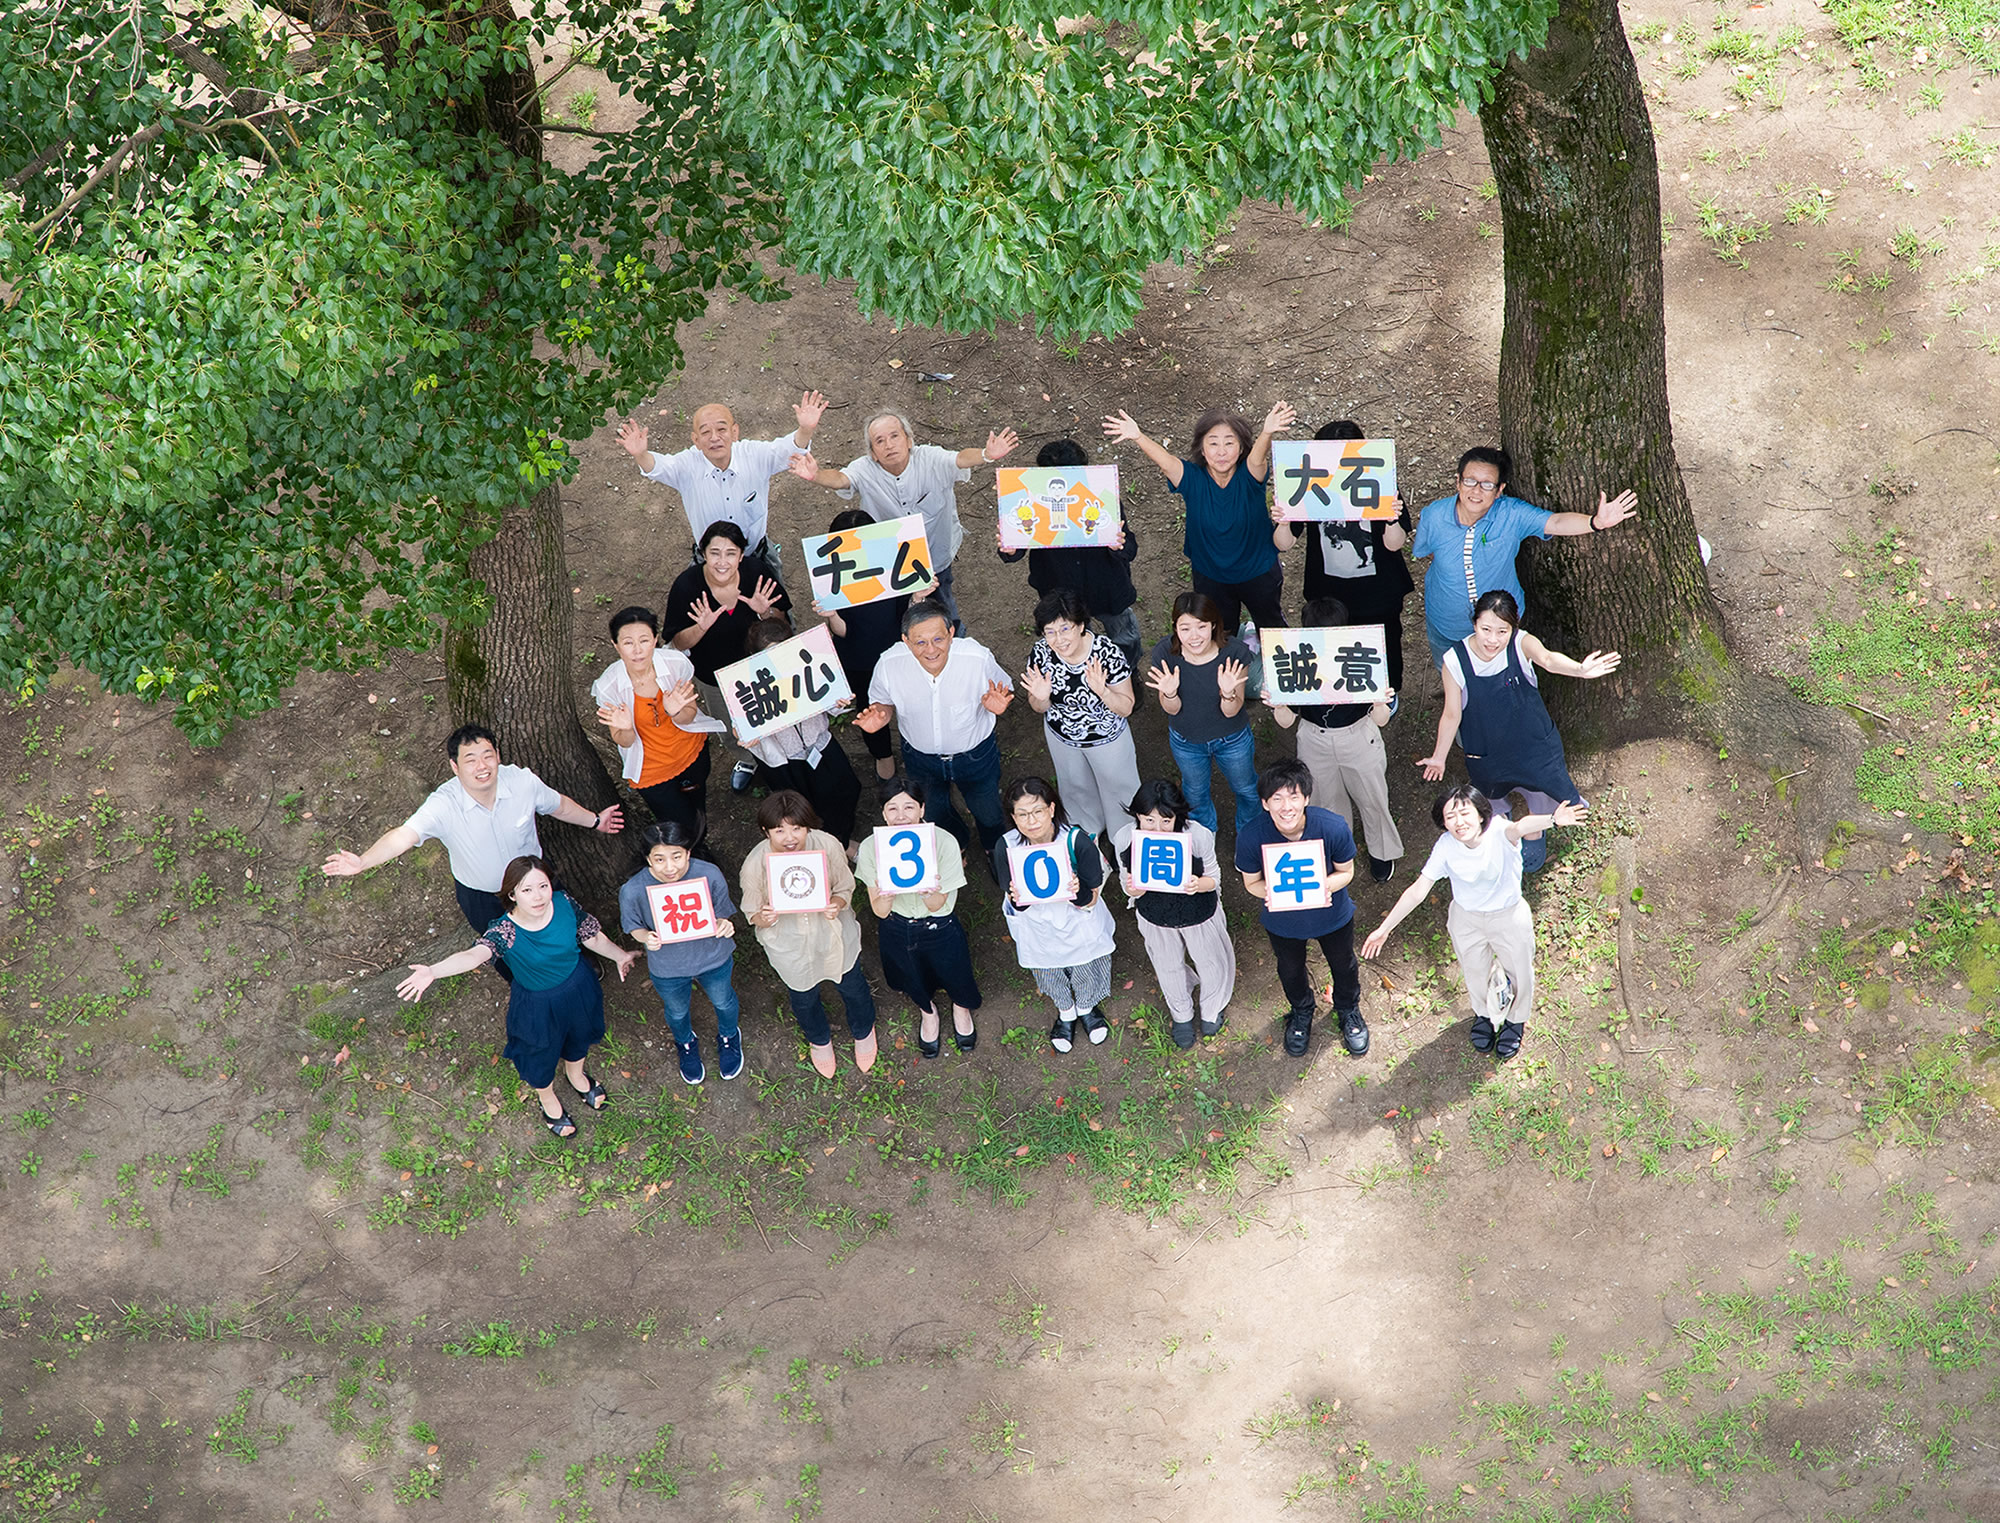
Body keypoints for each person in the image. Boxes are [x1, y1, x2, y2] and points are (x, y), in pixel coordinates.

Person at [321, 726, 623, 972]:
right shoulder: (443, 804)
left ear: (498, 757)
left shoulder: (522, 782)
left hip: (537, 880)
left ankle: (579, 962)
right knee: (505, 952)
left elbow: (558, 805)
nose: (482, 766)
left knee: (563, 923)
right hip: (484, 896)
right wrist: (363, 861)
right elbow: (403, 836)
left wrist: (595, 821)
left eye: (487, 756)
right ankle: (528, 984)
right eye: (470, 759)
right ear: (454, 767)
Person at [395, 855, 636, 1136]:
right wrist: (433, 971)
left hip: (578, 987)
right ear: (512, 894)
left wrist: (620, 956)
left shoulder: (564, 903)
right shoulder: (505, 930)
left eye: (543, 886)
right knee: (539, 1053)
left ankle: (576, 1075)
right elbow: (474, 955)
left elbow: (590, 936)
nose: (538, 897)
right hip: (538, 1004)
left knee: (580, 1034)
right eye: (527, 890)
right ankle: (547, 1098)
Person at [1362, 786, 1588, 1060]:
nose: (1459, 822)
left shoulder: (1500, 831)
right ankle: (1484, 1014)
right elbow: (1418, 890)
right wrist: (1385, 929)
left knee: (1519, 971)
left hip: (1508, 915)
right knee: (1474, 971)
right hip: (1466, 918)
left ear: (1481, 814)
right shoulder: (1446, 845)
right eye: (1450, 816)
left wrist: (1552, 819)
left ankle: (1515, 1021)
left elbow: (1521, 826)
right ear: (1443, 823)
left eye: (1464, 813)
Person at [1422, 589, 1620, 874]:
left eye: (1502, 630)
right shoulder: (1455, 660)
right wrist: (1439, 757)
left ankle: (1534, 833)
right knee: (1490, 797)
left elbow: (1549, 660)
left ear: (1513, 627)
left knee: (1540, 790)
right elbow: (1452, 713)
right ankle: (1503, 836)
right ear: (1474, 623)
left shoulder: (1520, 643)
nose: (1493, 639)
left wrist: (1580, 669)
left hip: (1533, 744)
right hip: (1486, 749)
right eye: (1485, 629)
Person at [789, 411, 1021, 631]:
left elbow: (959, 458)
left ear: (909, 440)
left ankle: (954, 633)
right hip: (890, 562)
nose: (889, 445)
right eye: (879, 441)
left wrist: (986, 455)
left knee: (943, 602)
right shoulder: (864, 469)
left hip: (935, 553)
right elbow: (841, 479)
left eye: (894, 436)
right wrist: (816, 475)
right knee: (897, 610)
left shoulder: (931, 458)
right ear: (872, 453)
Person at [1412, 445, 1639, 667]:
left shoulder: (1512, 514)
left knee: (1498, 680)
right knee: (1450, 672)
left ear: (1500, 490)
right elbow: (1427, 552)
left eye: (1487, 485)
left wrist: (1595, 523)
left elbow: (1555, 522)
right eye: (1470, 481)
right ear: (1458, 481)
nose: (1476, 491)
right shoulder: (1434, 515)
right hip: (1446, 622)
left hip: (1501, 627)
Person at [1102, 401, 1292, 632]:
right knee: (1220, 630)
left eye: (1229, 443)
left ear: (1242, 448)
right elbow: (1165, 462)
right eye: (1213, 443)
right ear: (1202, 449)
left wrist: (1267, 432)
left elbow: (1258, 459)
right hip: (1210, 575)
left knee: (1271, 626)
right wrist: (1138, 436)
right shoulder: (1192, 478)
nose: (1221, 452)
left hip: (1259, 571)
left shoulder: (1250, 476)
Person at [854, 599, 1014, 859]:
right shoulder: (889, 664)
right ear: (906, 641)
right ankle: (955, 844)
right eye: (920, 642)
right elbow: (883, 701)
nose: (931, 650)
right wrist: (882, 715)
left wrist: (998, 704)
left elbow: (1003, 689)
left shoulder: (977, 658)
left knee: (988, 809)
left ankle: (993, 847)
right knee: (934, 811)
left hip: (975, 755)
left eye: (938, 639)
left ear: (951, 634)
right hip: (920, 758)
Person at [1264, 596, 1403, 882]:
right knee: (1323, 801)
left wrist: (1380, 702)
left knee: (1373, 797)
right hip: (1314, 739)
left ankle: (1382, 852)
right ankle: (1336, 851)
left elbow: (1380, 720)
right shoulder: (1295, 663)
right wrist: (1279, 704)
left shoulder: (1363, 656)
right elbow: (1288, 722)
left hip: (1358, 736)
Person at [1269, 419, 1415, 692]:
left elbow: (1395, 544)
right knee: (1331, 648)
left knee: (1386, 645)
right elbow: (1283, 544)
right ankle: (1339, 700)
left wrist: (1391, 518)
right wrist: (1284, 521)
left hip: (1379, 591)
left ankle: (1387, 693)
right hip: (1328, 594)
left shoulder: (1379, 483)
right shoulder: (1309, 485)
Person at [616, 390, 828, 578]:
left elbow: (787, 449)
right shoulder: (687, 465)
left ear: (735, 432)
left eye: (721, 429)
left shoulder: (754, 455)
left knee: (776, 615)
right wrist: (641, 454)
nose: (714, 438)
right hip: (710, 561)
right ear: (695, 440)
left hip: (756, 553)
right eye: (705, 432)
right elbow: (658, 466)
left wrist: (805, 429)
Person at [1235, 758, 1367, 1059]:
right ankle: (1301, 1012)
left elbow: (1346, 873)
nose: (1286, 807)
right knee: (1290, 968)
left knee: (1343, 964)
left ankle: (1348, 1009)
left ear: (1306, 798)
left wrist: (1324, 886)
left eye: (1294, 797)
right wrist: (1269, 890)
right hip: (1283, 921)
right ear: (1265, 803)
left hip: (1332, 916)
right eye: (1277, 798)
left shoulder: (1332, 827)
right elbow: (1251, 883)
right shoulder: (1252, 835)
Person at [740, 791, 877, 1078]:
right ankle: (819, 1039)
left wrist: (837, 904)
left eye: (797, 828)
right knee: (803, 997)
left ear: (808, 827)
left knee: (853, 987)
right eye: (779, 830)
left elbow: (844, 887)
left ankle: (863, 1030)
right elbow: (752, 912)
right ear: (766, 831)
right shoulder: (755, 863)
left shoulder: (826, 844)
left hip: (833, 934)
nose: (789, 837)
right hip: (789, 944)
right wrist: (764, 918)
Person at [854, 775, 981, 1057]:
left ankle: (961, 1008)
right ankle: (928, 1012)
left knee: (955, 972)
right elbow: (880, 911)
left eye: (909, 807)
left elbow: (937, 904)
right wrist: (885, 892)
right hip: (896, 926)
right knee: (911, 975)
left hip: (940, 925)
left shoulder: (944, 842)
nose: (901, 816)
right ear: (882, 813)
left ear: (923, 809)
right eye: (892, 808)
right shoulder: (869, 848)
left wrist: (927, 890)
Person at [662, 520, 791, 791]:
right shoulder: (687, 586)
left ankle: (782, 758)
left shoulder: (757, 573)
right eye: (714, 553)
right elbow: (677, 639)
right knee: (728, 726)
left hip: (760, 667)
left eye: (731, 553)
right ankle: (747, 760)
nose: (723, 561)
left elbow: (782, 623)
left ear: (741, 556)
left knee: (773, 715)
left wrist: (763, 612)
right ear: (703, 553)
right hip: (714, 675)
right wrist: (701, 627)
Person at [996, 438, 1142, 671]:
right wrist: (1011, 549)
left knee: (1124, 637)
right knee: (1075, 644)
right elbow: (1017, 546)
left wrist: (1119, 546)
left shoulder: (1103, 499)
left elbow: (1130, 547)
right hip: (1059, 591)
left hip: (1108, 588)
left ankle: (1128, 672)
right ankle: (1086, 681)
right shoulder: (1033, 500)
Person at [994, 778, 1117, 1054]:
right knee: (1048, 970)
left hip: (1077, 919)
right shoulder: (1007, 846)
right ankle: (1066, 1011)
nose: (1031, 821)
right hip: (1036, 925)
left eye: (1037, 811)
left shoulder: (1076, 841)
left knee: (1087, 966)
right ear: (1013, 817)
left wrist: (1077, 891)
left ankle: (1087, 1007)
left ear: (1051, 809)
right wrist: (1017, 897)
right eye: (1022, 814)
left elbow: (1093, 895)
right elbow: (1012, 897)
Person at [620, 820, 742, 1086]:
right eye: (660, 859)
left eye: (677, 856)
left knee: (723, 1001)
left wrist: (724, 923)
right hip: (668, 968)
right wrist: (645, 938)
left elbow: (722, 912)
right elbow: (634, 927)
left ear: (688, 852)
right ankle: (685, 1042)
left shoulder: (709, 874)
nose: (670, 867)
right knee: (676, 1012)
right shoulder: (632, 890)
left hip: (713, 958)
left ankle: (729, 1035)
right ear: (647, 859)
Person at [592, 607, 722, 850]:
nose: (638, 650)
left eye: (644, 640)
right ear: (616, 645)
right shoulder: (608, 687)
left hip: (691, 753)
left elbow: (689, 714)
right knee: (679, 826)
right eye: (628, 642)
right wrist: (627, 727)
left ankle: (699, 845)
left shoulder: (675, 664)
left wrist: (675, 711)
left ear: (654, 639)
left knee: (697, 807)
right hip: (652, 772)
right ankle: (693, 855)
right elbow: (625, 741)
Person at [1117, 779, 1234, 1049]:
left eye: (1166, 821)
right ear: (1137, 815)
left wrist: (1198, 884)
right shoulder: (1125, 838)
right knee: (1167, 966)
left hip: (1199, 914)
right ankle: (1181, 1014)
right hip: (1156, 917)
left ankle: (1211, 1008)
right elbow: (1127, 883)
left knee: (1210, 962)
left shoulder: (1199, 836)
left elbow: (1215, 877)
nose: (1157, 829)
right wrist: (1133, 889)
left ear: (1178, 817)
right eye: (1149, 821)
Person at [1020, 588, 1140, 849]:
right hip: (1062, 737)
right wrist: (1041, 697)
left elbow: (1127, 706)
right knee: (1074, 787)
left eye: (1065, 629)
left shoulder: (1107, 653)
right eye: (1049, 632)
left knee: (1119, 788)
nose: (1058, 640)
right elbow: (1038, 706)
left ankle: (1125, 842)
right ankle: (1088, 838)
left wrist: (1103, 692)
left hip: (1107, 739)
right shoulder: (1041, 653)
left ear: (1081, 625)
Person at [739, 617, 865, 858]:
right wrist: (747, 735)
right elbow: (744, 726)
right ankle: (819, 848)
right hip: (785, 761)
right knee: (799, 809)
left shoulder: (810, 666)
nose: (777, 660)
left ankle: (842, 839)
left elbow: (832, 702)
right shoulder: (746, 685)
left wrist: (839, 702)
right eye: (769, 655)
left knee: (845, 790)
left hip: (821, 744)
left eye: (783, 651)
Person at [814, 506, 915, 782]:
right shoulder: (833, 576)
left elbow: (906, 615)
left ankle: (918, 746)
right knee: (870, 709)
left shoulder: (895, 565)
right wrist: (832, 614)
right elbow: (844, 632)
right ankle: (883, 755)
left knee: (911, 700)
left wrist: (918, 597)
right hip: (858, 659)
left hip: (898, 652)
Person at [1145, 592, 1256, 836]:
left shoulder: (1235, 653)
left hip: (1232, 739)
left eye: (1201, 627)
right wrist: (1170, 693)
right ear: (1175, 627)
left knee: (1246, 788)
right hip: (1187, 741)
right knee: (1195, 794)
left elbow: (1232, 711)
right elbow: (1171, 709)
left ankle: (1249, 834)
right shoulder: (1165, 653)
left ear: (1213, 625)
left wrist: (1228, 693)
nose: (1194, 637)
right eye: (1185, 629)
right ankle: (1205, 838)